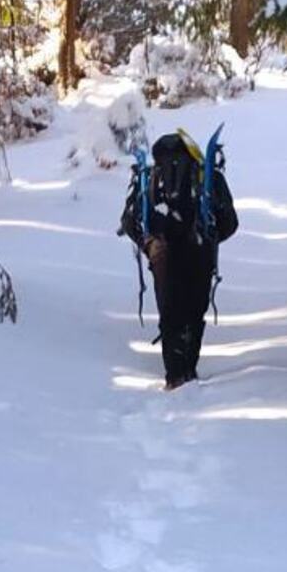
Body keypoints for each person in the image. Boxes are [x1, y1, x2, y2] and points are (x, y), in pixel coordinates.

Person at [120, 129, 239, 390]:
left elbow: (129, 221)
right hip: (200, 249)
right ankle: (188, 370)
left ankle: (174, 376)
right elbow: (230, 222)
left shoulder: (148, 178)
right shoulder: (207, 177)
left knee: (170, 313)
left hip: (162, 251)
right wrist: (211, 237)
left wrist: (148, 245)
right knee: (194, 312)